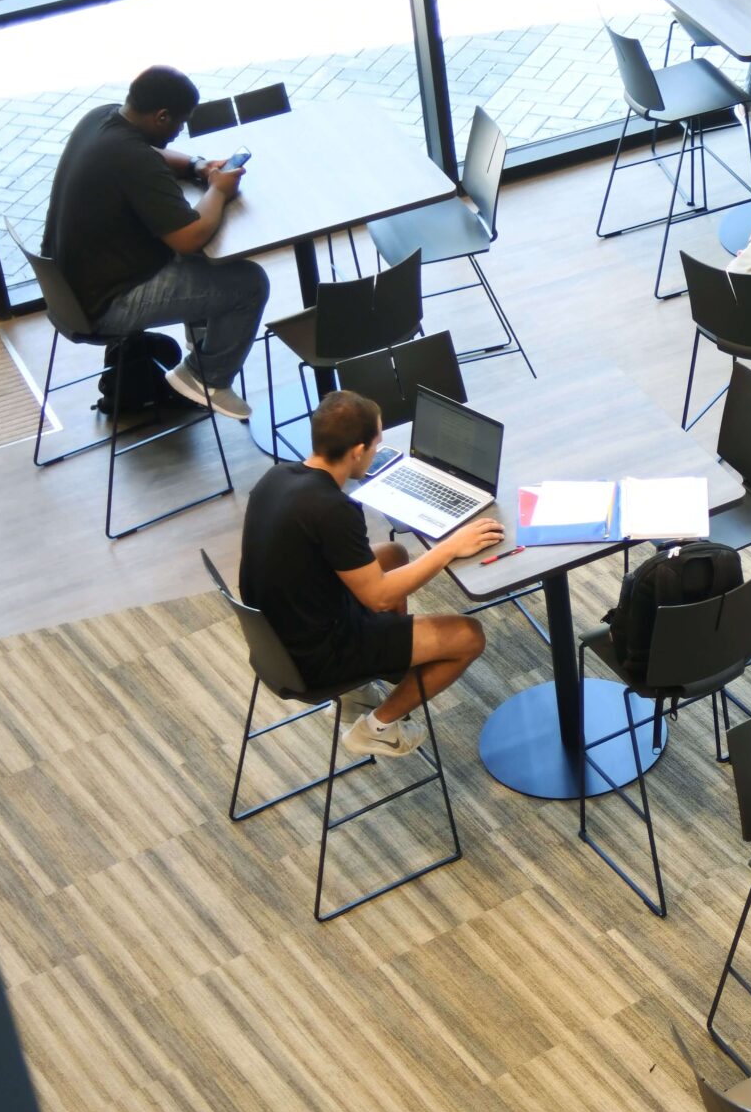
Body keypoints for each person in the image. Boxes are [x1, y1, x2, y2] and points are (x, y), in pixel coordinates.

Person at [239, 389, 501, 759]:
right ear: (357, 451)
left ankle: (386, 667)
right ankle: (378, 727)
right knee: (469, 635)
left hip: (277, 635)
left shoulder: (276, 477)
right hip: (316, 655)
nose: (377, 451)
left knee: (393, 553)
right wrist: (449, 548)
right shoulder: (333, 509)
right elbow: (377, 597)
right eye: (377, 443)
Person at [40, 65, 263, 418]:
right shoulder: (131, 158)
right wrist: (219, 189)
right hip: (105, 306)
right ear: (162, 116)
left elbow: (151, 155)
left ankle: (201, 344)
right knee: (249, 283)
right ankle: (206, 379)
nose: (179, 132)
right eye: (179, 123)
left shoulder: (102, 118)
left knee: (207, 264)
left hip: (69, 293)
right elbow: (190, 237)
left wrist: (198, 166)